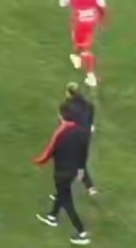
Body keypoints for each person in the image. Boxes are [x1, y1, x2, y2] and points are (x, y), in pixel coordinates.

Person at [33, 104, 92, 245]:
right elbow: (83, 152)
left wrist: (37, 161)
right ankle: (52, 216)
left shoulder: (61, 132)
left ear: (61, 116)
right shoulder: (80, 132)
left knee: (67, 201)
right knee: (62, 193)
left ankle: (81, 232)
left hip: (61, 173)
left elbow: (50, 150)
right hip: (72, 171)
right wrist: (81, 169)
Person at [59, 0, 107, 87]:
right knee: (81, 42)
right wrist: (102, 20)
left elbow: (63, 3)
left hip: (79, 20)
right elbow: (101, 5)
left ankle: (91, 76)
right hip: (92, 19)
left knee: (84, 48)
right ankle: (77, 59)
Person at [61, 83, 98, 196]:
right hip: (86, 137)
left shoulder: (66, 106)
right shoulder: (88, 105)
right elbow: (90, 115)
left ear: (69, 93)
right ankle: (90, 187)